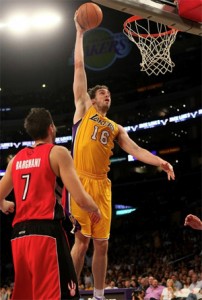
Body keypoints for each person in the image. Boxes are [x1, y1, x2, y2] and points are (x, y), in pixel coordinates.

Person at [70, 12, 175, 300]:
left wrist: (160, 161)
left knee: (102, 245)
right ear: (92, 99)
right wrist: (79, 34)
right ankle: (67, 292)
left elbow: (136, 150)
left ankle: (99, 296)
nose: (108, 96)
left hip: (102, 185)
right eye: (103, 93)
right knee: (81, 241)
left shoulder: (116, 127)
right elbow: (79, 67)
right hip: (80, 182)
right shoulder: (84, 110)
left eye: (109, 94)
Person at [0, 108, 101, 300]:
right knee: (63, 294)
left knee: (27, 296)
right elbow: (80, 198)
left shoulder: (15, 160)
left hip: (19, 237)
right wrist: (96, 208)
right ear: (51, 128)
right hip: (46, 234)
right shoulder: (57, 153)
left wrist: (3, 203)